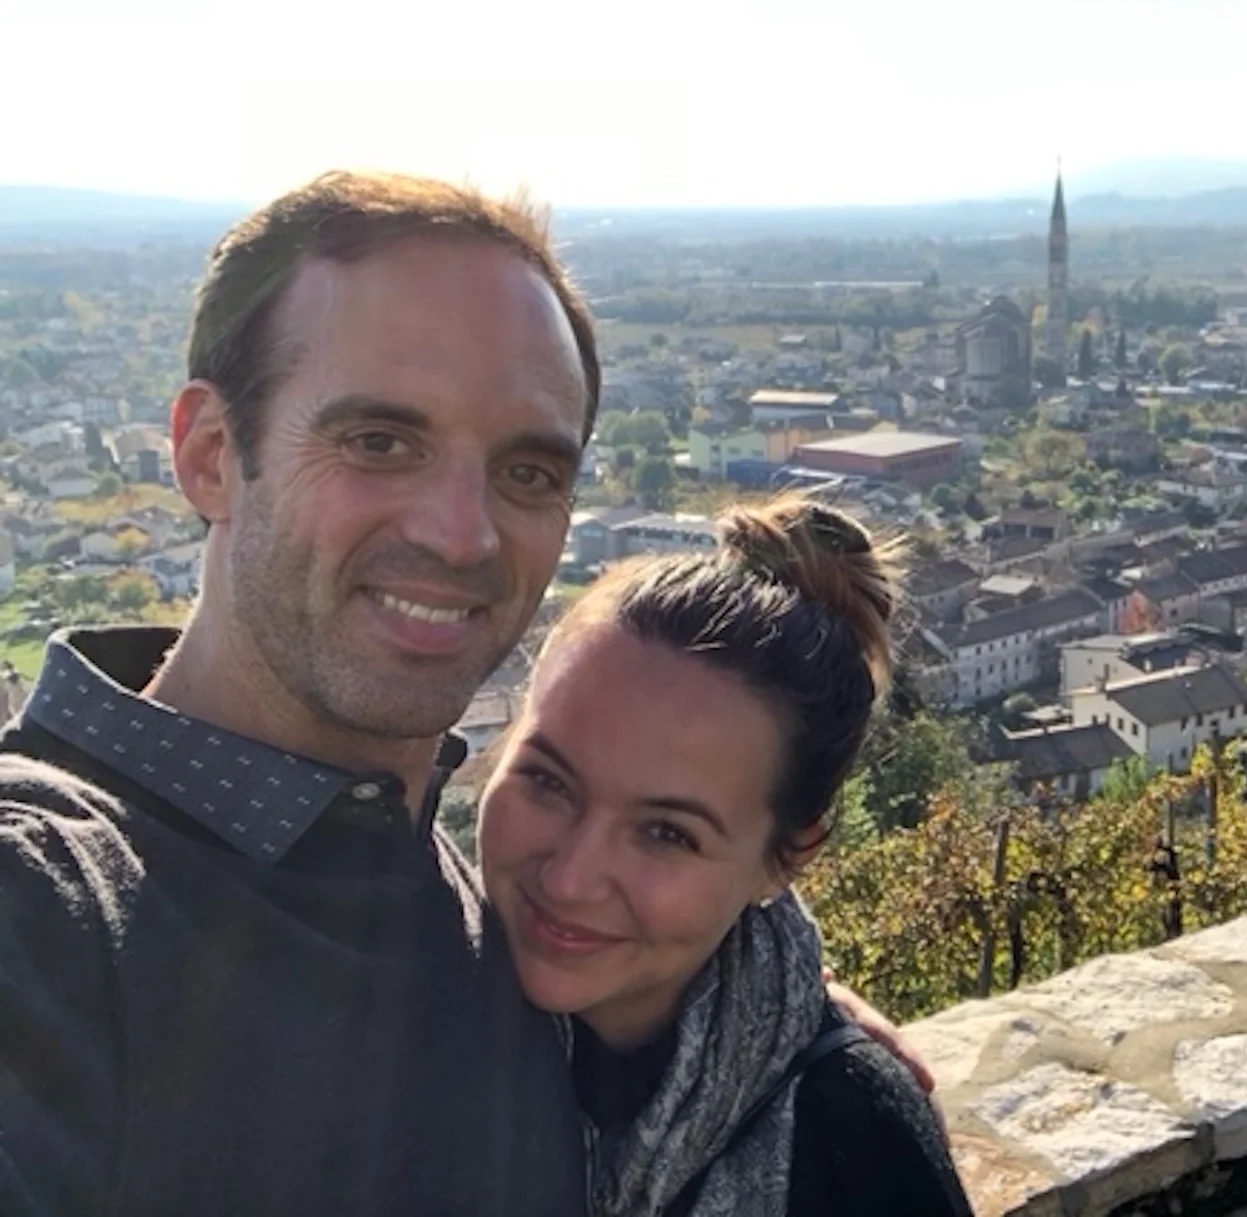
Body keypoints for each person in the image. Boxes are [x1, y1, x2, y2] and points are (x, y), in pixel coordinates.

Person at [0, 171, 922, 1217]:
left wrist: (781, 1024)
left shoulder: (493, 913)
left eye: (527, 472)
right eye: (379, 442)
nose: (460, 533)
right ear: (212, 454)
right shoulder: (43, 899)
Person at [480, 496, 971, 1216]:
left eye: (667, 832)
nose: (569, 877)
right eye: (548, 781)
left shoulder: (853, 1139)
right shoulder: (404, 975)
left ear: (785, 859)